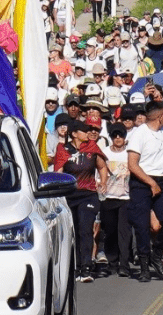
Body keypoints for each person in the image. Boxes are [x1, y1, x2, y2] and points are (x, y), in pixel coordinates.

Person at [127, 101, 163, 282]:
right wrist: (150, 183)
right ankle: (143, 266)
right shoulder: (139, 133)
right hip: (142, 181)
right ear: (159, 116)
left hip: (161, 179)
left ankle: (156, 255)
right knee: (142, 226)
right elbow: (132, 164)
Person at [54, 121, 108, 283]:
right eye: (84, 131)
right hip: (70, 195)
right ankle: (75, 267)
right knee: (75, 231)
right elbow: (59, 172)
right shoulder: (63, 149)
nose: (88, 133)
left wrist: (103, 182)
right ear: (74, 133)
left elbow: (102, 167)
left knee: (86, 228)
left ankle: (86, 267)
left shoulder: (92, 148)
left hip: (89, 194)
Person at [100, 123, 131, 277]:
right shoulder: (104, 153)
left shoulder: (130, 154)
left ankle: (124, 264)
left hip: (126, 197)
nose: (118, 138)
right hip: (108, 197)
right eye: (115, 135)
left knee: (124, 232)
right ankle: (112, 262)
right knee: (110, 232)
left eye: (121, 135)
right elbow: (98, 172)